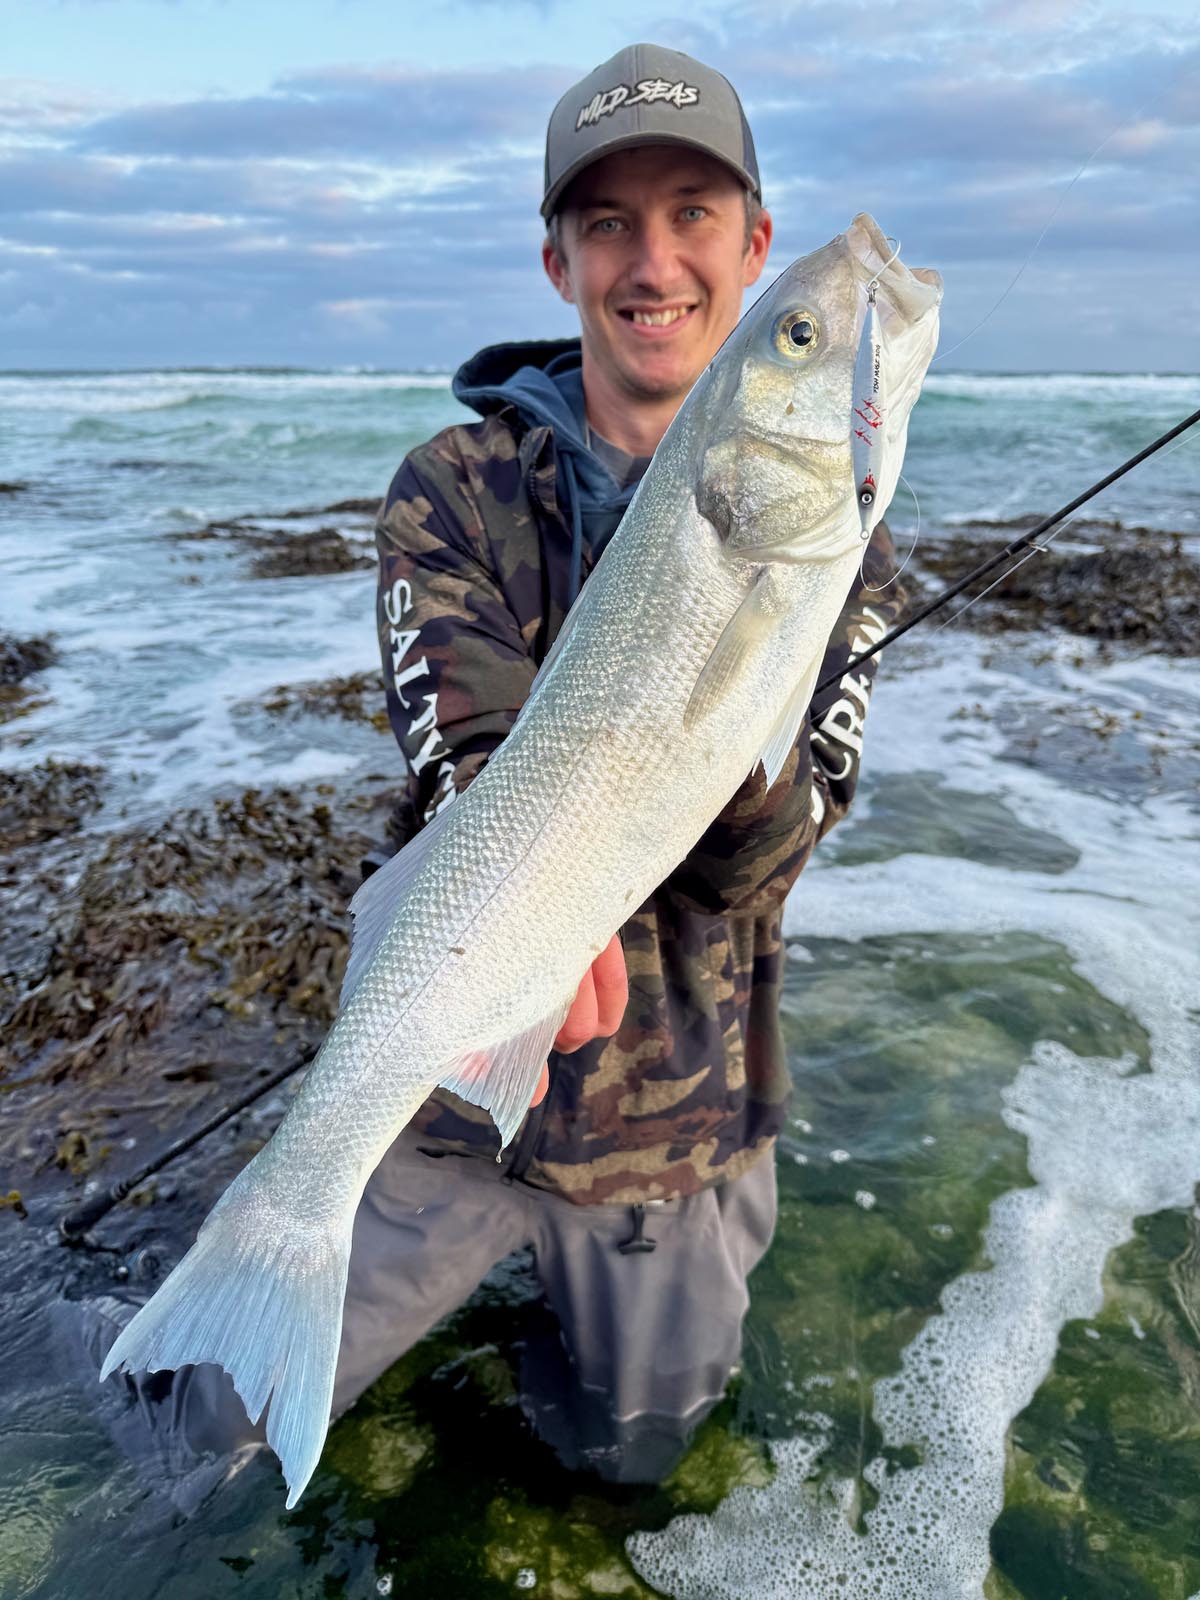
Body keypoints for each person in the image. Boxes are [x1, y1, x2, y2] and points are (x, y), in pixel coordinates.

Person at [71, 41, 903, 1506]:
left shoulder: (842, 544)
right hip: (448, 1092)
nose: (654, 260)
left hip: (676, 1125)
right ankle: (260, 1268)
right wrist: (523, 963)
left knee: (631, 1455)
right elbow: (468, 762)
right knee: (196, 1440)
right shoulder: (448, 490)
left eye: (695, 212)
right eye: (609, 223)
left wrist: (784, 630)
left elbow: (764, 856)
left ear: (755, 242)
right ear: (557, 258)